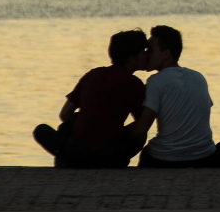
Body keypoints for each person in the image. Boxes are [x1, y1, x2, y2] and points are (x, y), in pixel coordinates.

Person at [32, 29, 150, 168]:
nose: (147, 55)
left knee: (43, 129)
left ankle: (67, 155)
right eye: (144, 51)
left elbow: (64, 114)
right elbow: (140, 128)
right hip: (110, 156)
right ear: (132, 58)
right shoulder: (135, 84)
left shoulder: (93, 75)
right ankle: (114, 160)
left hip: (77, 153)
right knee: (140, 137)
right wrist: (114, 133)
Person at [135, 25, 218, 168]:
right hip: (205, 155)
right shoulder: (198, 77)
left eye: (151, 50)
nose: (146, 55)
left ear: (166, 53)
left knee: (147, 151)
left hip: (168, 158)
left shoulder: (156, 81)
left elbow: (142, 128)